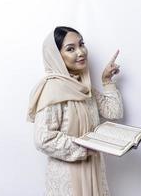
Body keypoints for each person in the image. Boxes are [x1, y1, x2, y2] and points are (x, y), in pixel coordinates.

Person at [27, 26, 123, 196]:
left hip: (93, 170)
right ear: (56, 56)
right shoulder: (52, 89)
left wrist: (107, 81)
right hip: (69, 177)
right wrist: (85, 148)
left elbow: (113, 112)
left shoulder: (83, 88)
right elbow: (43, 138)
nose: (80, 52)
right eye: (71, 49)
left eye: (81, 45)